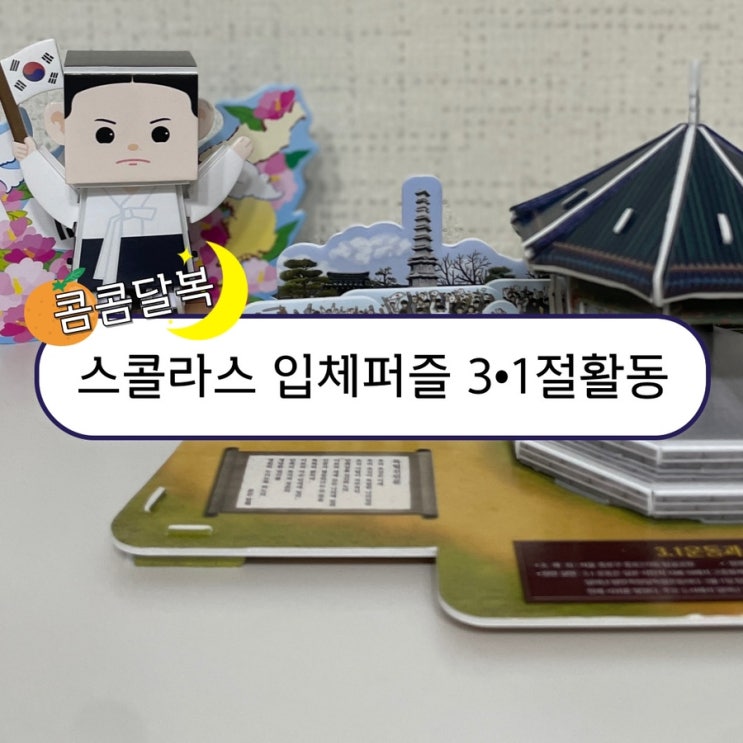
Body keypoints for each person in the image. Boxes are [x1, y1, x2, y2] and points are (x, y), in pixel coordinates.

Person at [12, 50, 260, 291]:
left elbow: (199, 201)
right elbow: (62, 204)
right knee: (100, 296)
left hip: (165, 249)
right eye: (105, 134)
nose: (132, 147)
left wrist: (230, 158)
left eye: (161, 133)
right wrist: (32, 160)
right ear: (60, 125)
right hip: (99, 251)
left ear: (200, 122)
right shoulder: (91, 198)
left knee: (168, 292)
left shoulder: (170, 193)